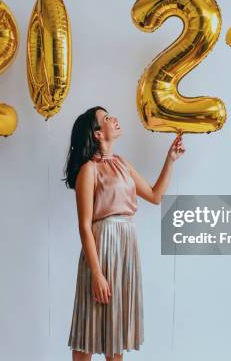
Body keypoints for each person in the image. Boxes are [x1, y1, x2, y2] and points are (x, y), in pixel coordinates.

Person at [63, 106, 185, 360]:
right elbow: (84, 225)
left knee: (115, 334)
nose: (114, 119)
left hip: (125, 249)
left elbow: (155, 195)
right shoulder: (89, 170)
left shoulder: (122, 163)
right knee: (89, 330)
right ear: (97, 133)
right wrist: (97, 274)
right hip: (102, 250)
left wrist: (170, 159)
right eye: (107, 118)